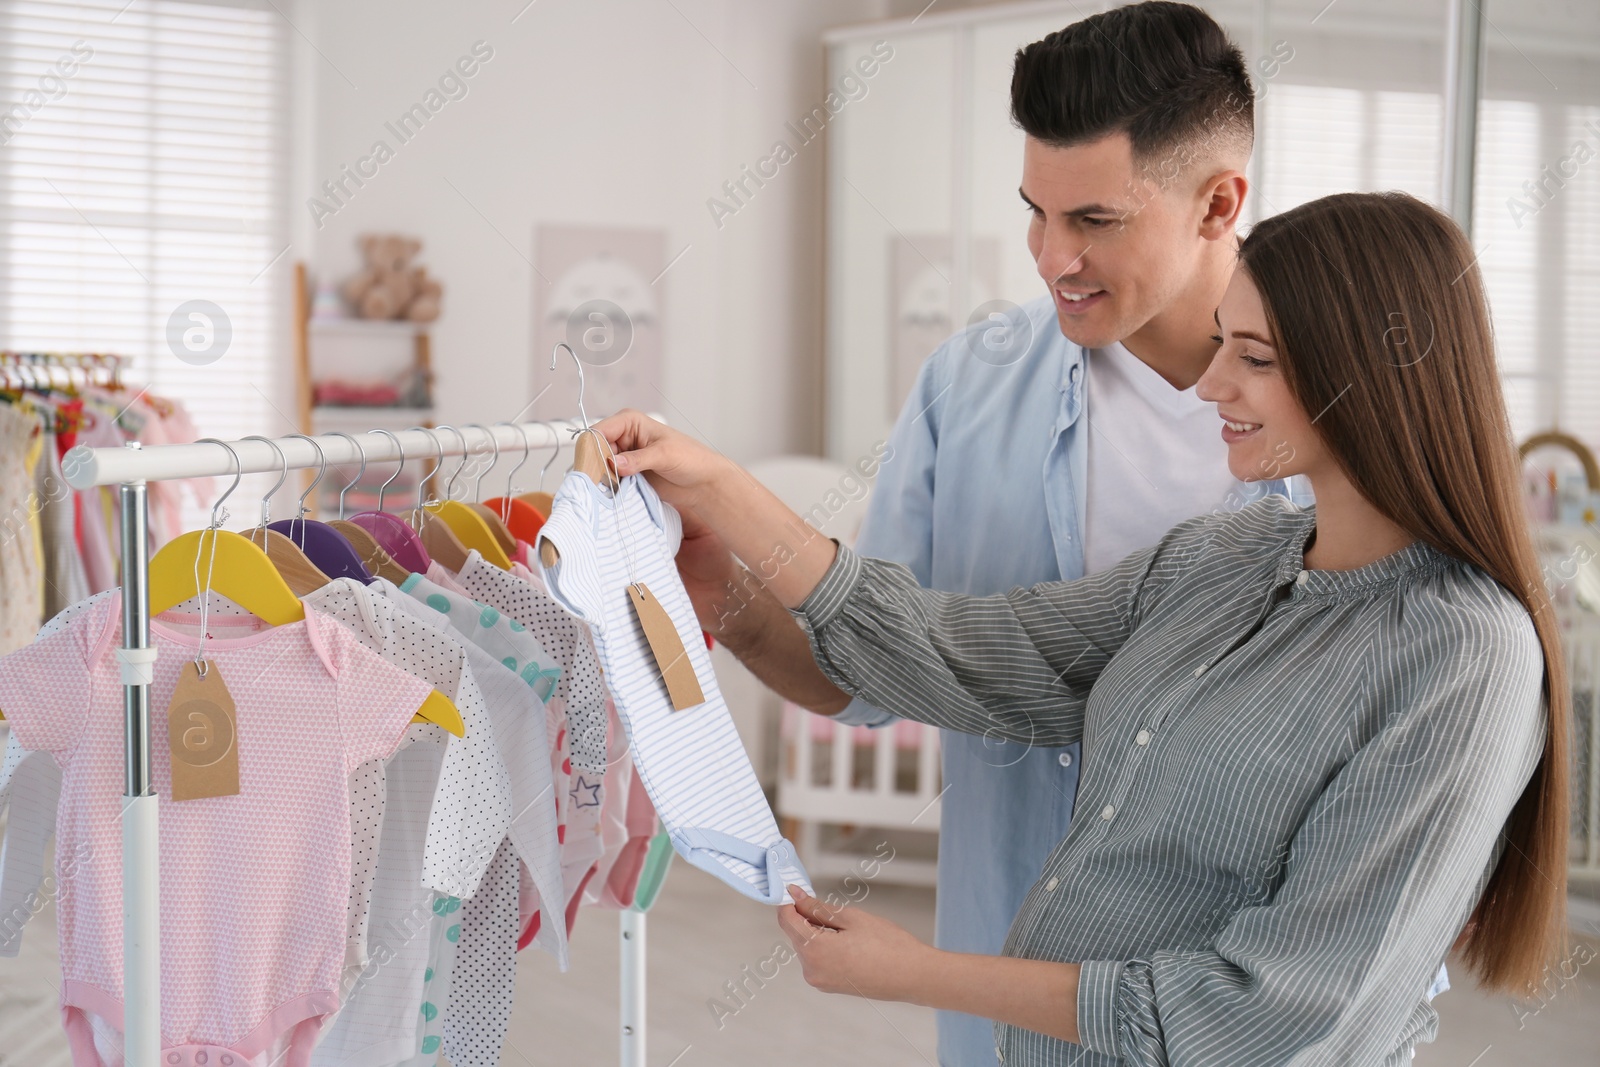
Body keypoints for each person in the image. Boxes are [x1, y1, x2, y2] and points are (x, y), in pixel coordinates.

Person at [591, 190, 1570, 1065]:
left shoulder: (1461, 654)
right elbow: (965, 648)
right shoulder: (1223, 558)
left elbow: (1258, 1014)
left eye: (1254, 357)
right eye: (1222, 340)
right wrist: (724, 506)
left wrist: (923, 972)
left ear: (1377, 376)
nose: (1208, 384)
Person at [686, 7, 1313, 1061]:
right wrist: (733, 607)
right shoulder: (968, 384)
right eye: (1035, 211)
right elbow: (877, 671)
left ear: (1220, 203)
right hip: (999, 985)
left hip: (1229, 1003)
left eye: (1095, 221)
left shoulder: (1341, 411)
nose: (1049, 257)